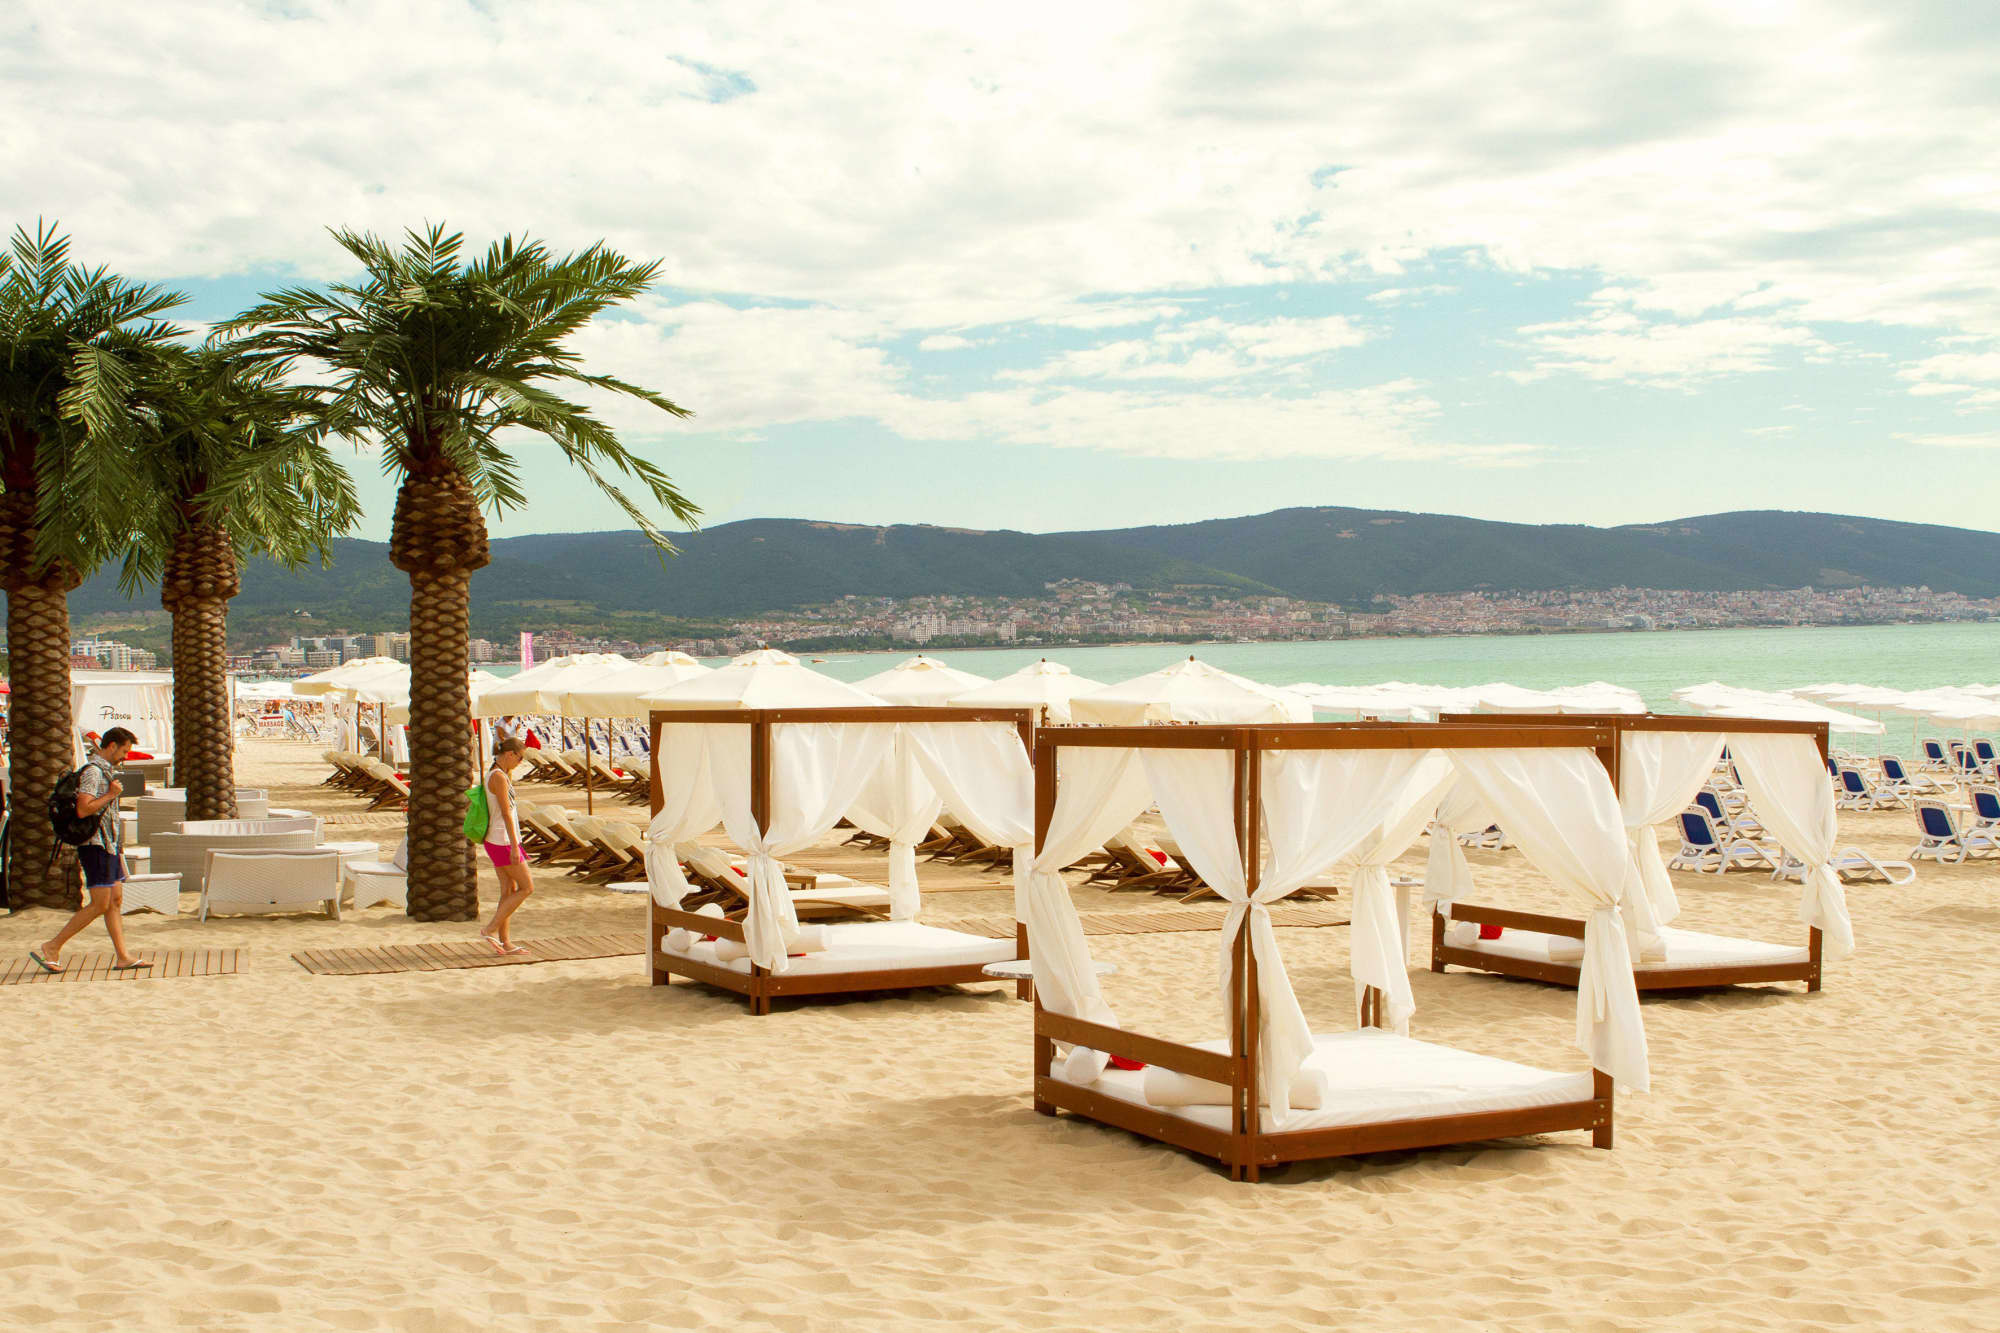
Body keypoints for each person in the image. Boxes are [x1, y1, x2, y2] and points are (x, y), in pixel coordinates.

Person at [33, 727, 148, 973]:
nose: (125, 756)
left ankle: (123, 957)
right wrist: (111, 794)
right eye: (124, 751)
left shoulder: (106, 771)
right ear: (112, 746)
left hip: (109, 845)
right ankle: (52, 946)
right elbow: (83, 809)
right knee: (100, 904)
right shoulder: (93, 772)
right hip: (95, 845)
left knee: (115, 900)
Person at [478, 737, 533, 955]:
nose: (520, 763)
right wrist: (514, 846)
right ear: (510, 754)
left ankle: (505, 942)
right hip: (503, 840)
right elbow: (506, 813)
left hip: (497, 838)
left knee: (508, 890)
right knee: (527, 887)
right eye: (520, 758)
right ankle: (490, 929)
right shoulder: (498, 777)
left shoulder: (496, 773)